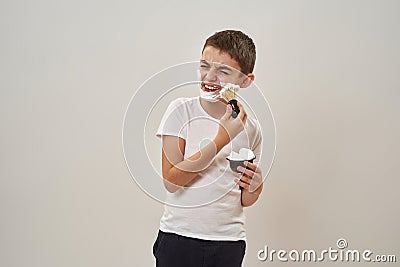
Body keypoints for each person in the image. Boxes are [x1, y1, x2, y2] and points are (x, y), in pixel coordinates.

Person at [153, 30, 263, 267]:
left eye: (223, 71)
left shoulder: (251, 129)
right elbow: (172, 181)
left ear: (245, 80)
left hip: (228, 242)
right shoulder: (180, 111)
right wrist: (221, 140)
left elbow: (243, 199)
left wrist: (256, 187)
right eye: (205, 65)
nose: (210, 77)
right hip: (178, 238)